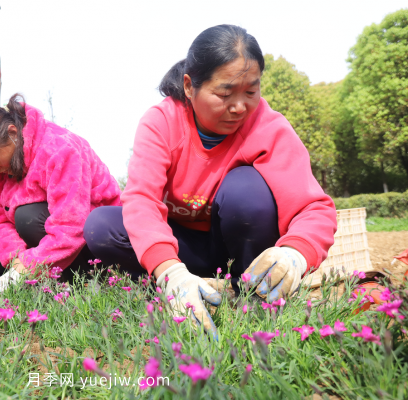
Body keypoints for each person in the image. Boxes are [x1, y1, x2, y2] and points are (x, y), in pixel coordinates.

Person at [84, 25, 337, 337]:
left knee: (246, 190)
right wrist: (170, 272)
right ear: (190, 86)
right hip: (182, 248)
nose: (240, 107)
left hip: (236, 250)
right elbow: (142, 202)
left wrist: (295, 254)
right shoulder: (162, 122)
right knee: (102, 226)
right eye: (225, 93)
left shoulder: (268, 127)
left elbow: (313, 207)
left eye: (251, 91)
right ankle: (184, 287)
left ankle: (251, 293)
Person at [0, 94, 121, 292]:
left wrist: (28, 264)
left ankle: (75, 280)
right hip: (44, 242)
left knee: (27, 217)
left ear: (12, 133)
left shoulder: (59, 149)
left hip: (93, 237)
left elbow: (70, 225)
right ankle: (39, 278)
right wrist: (16, 259)